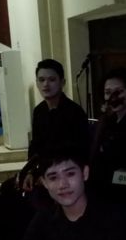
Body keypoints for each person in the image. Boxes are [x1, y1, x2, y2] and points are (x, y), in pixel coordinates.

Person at [21, 59, 90, 192]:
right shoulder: (39, 111)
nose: (46, 85)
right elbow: (36, 145)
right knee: (10, 188)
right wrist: (30, 172)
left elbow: (77, 151)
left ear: (62, 82)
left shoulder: (74, 112)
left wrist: (48, 176)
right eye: (41, 80)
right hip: (43, 170)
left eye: (52, 80)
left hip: (65, 172)